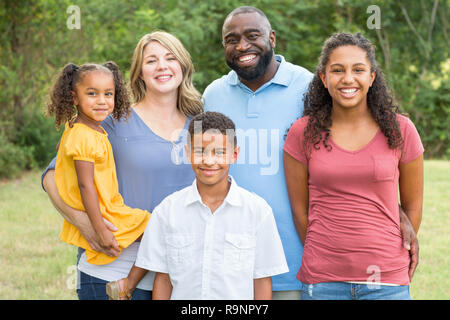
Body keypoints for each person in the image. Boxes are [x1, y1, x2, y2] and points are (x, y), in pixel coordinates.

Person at [202, 6, 420, 300]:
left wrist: (398, 221)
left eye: (253, 36)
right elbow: (201, 161)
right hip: (235, 263)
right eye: (232, 39)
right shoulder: (212, 96)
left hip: (295, 267)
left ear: (273, 38)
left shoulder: (306, 86)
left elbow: (365, 156)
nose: (242, 46)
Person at [41, 31, 203, 300]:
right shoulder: (109, 120)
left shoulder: (200, 123)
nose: (162, 66)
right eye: (151, 60)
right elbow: (52, 176)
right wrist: (87, 225)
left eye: (170, 57)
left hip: (180, 274)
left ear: (183, 65)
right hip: (113, 268)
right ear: (139, 72)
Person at [283, 32, 424, 300]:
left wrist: (393, 250)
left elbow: (413, 207)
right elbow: (301, 213)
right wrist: (329, 254)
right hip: (323, 280)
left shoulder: (401, 130)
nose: (348, 78)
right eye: (337, 70)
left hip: (386, 282)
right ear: (324, 78)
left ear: (371, 77)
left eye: (358, 69)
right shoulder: (302, 133)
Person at [133, 111, 289, 299]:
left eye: (220, 152)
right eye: (200, 151)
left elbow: (262, 280)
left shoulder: (257, 212)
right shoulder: (167, 211)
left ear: (234, 154)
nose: (208, 160)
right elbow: (163, 279)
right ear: (188, 152)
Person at [47, 61, 150, 266]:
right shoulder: (84, 136)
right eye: (92, 94)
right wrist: (100, 230)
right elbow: (86, 186)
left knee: (158, 236)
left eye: (108, 94)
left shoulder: (81, 128)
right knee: (160, 233)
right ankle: (131, 285)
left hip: (108, 207)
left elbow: (65, 149)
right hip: (105, 214)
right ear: (74, 98)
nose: (102, 101)